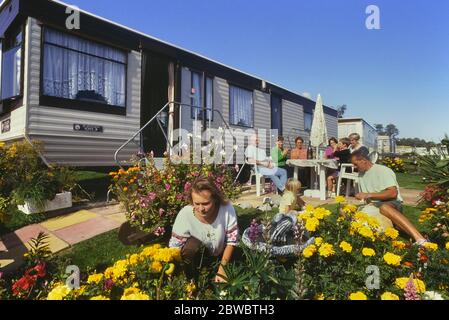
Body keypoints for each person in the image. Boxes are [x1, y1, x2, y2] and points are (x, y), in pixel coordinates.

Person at [169, 176, 239, 282]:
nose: (201, 209)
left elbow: (231, 241)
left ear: (215, 199)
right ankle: (191, 276)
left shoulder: (226, 209)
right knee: (191, 246)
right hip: (199, 256)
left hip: (221, 252)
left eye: (206, 203)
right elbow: (175, 246)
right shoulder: (185, 214)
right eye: (197, 204)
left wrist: (222, 270)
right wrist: (172, 270)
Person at [351, 149, 427, 244]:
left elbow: (392, 193)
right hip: (373, 205)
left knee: (384, 208)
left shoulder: (382, 170)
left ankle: (420, 239)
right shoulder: (360, 175)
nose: (354, 167)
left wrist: (368, 195)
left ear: (363, 160)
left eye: (355, 164)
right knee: (345, 210)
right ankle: (394, 225)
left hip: (391, 202)